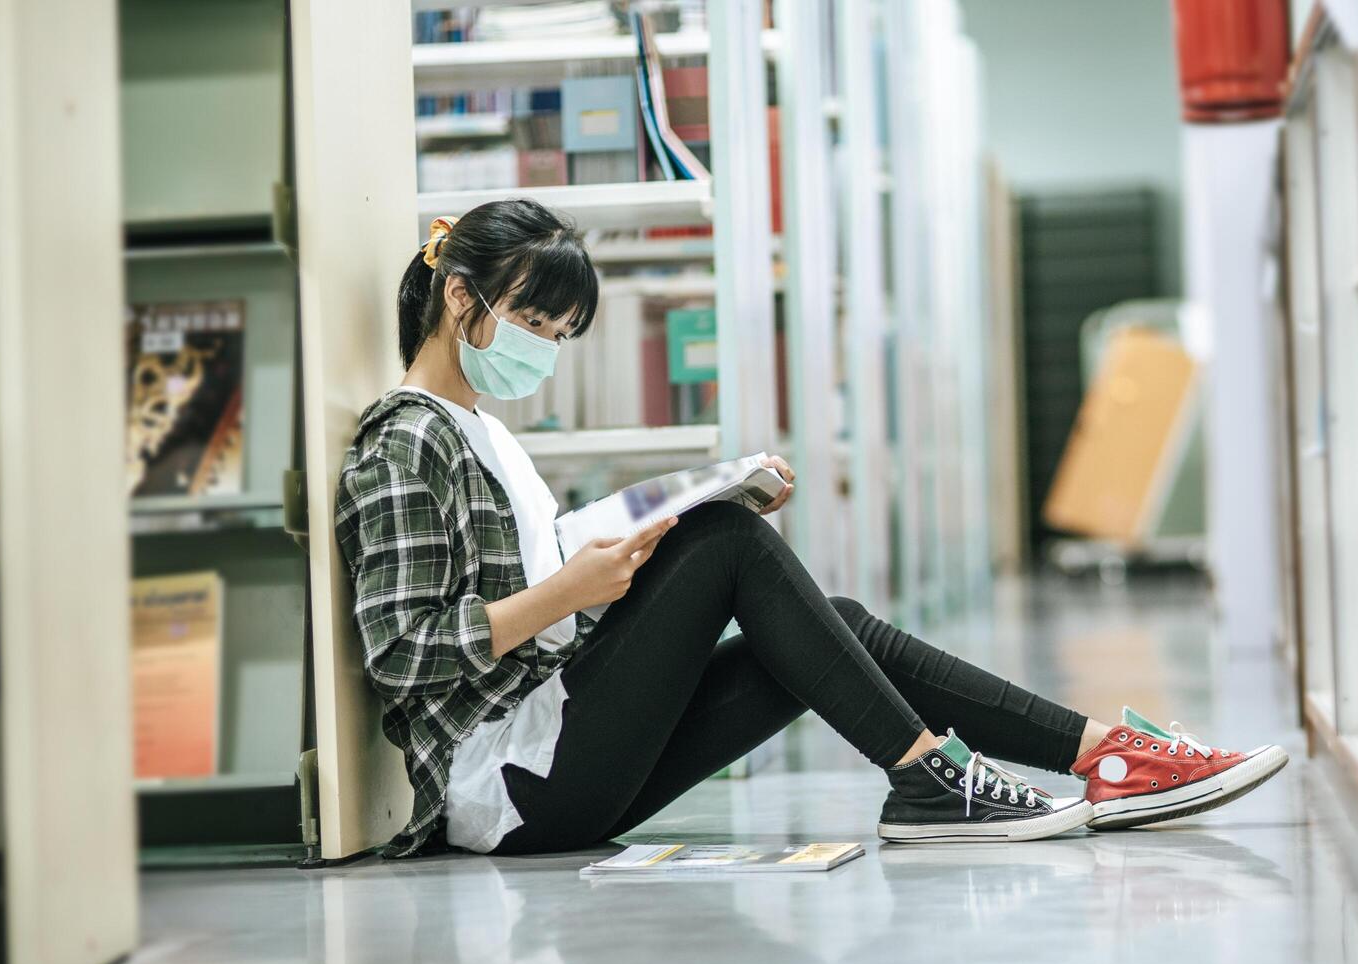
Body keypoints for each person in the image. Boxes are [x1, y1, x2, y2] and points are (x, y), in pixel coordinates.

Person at [334, 199, 1288, 858]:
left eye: (560, 332)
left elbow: (545, 568)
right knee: (728, 547)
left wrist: (654, 520)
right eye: (534, 319)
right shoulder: (404, 442)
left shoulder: (482, 432)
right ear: (461, 298)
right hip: (504, 786)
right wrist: (570, 592)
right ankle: (928, 781)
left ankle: (1104, 758)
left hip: (551, 750)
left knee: (827, 618)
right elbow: (399, 653)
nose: (545, 349)